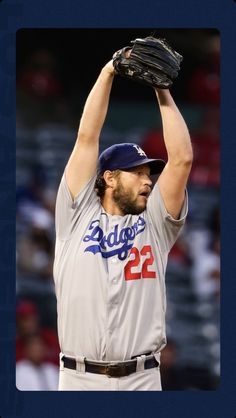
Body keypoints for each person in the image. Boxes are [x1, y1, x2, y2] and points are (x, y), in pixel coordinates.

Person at [53, 55, 193, 391]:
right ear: (110, 178)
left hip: (142, 379)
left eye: (149, 174)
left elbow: (182, 159)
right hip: (78, 380)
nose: (148, 181)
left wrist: (163, 89)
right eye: (139, 172)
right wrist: (108, 71)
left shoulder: (155, 225)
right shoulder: (75, 216)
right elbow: (87, 137)